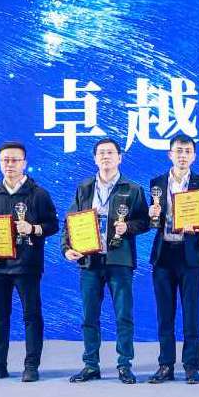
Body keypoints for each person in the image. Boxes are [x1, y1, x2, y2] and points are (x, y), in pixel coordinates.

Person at [62, 138, 149, 384]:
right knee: (89, 316)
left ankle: (124, 365)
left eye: (110, 153)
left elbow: (144, 222)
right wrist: (66, 248)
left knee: (123, 315)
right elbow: (70, 221)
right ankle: (91, 365)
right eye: (101, 153)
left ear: (119, 158)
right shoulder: (84, 188)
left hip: (119, 260)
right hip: (90, 261)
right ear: (95, 159)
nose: (105, 157)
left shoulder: (132, 189)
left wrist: (128, 227)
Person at [0, 141, 59, 382]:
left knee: (31, 316)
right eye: (5, 160)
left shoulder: (38, 194)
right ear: (0, 163)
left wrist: (34, 228)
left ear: (24, 163)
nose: (10, 164)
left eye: (15, 160)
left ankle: (31, 365)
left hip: (27, 266)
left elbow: (53, 225)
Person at [147, 134, 199, 385]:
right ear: (170, 154)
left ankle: (191, 366)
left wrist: (196, 226)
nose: (183, 155)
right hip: (163, 254)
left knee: (191, 312)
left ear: (194, 156)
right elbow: (153, 220)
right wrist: (151, 214)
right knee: (165, 314)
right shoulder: (156, 183)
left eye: (187, 151)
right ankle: (165, 365)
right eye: (178, 151)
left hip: (190, 255)